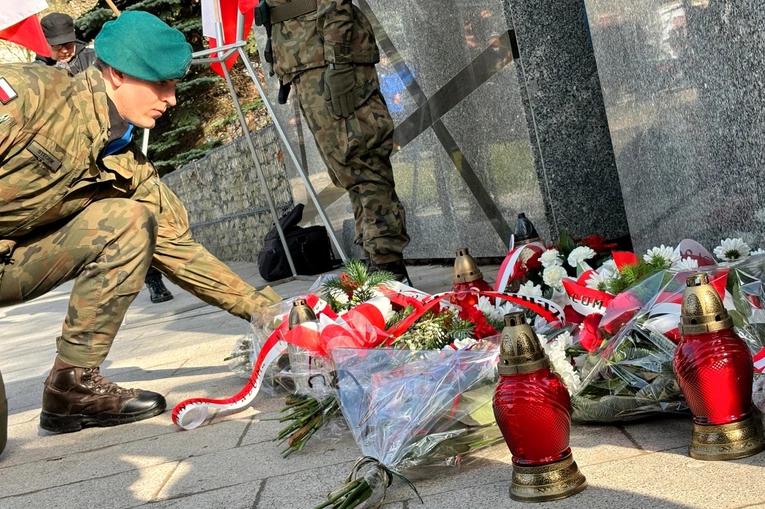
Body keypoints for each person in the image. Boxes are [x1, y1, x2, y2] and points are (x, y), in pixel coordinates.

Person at [0, 11, 281, 434]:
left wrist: (271, 314)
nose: (171, 99)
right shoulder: (31, 96)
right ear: (115, 74)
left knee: (130, 220)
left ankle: (71, 387)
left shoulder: (123, 161)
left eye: (174, 85)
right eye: (160, 84)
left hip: (11, 264)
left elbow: (179, 251)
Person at [261, 0, 410, 282]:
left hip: (328, 60)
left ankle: (389, 268)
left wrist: (339, 62)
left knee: (362, 160)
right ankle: (377, 262)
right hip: (307, 60)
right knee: (348, 170)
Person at [36, 12, 175, 305]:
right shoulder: (41, 71)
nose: (64, 49)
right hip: (71, 162)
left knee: (136, 213)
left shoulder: (93, 59)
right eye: (57, 45)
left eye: (67, 43)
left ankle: (154, 281)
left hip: (112, 152)